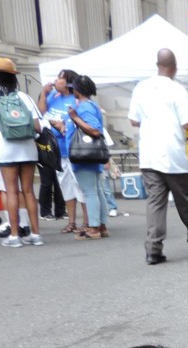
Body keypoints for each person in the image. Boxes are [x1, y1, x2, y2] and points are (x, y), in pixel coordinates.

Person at [128, 48, 188, 265]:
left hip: (148, 154)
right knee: (185, 202)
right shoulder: (176, 90)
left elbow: (134, 120)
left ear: (158, 65)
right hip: (173, 154)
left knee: (155, 202)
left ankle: (153, 249)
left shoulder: (141, 88)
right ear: (173, 68)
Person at [0, 57, 42, 247]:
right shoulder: (24, 97)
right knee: (29, 191)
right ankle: (35, 234)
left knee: (12, 191)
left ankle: (15, 236)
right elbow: (38, 126)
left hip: (6, 149)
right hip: (28, 148)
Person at [39, 69, 87, 233]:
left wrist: (62, 125)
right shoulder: (53, 96)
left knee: (80, 186)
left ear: (67, 82)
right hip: (57, 150)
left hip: (73, 149)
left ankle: (87, 221)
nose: (55, 81)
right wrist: (43, 94)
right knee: (66, 186)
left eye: (59, 78)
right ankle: (72, 221)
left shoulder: (76, 100)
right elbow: (41, 112)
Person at [67, 75, 109, 240]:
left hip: (84, 155)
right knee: (97, 191)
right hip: (92, 154)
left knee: (90, 192)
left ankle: (94, 227)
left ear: (78, 90)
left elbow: (95, 130)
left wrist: (75, 118)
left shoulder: (84, 107)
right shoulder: (92, 105)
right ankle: (101, 225)